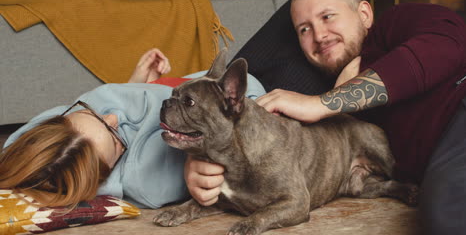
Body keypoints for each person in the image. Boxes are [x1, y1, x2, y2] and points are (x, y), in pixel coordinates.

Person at [184, 0, 466, 235]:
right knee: (445, 212)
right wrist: (201, 161)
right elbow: (231, 108)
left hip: (460, 113)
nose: (319, 36)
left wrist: (324, 103)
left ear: (365, 14)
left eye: (328, 16)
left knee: (449, 210)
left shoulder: (392, 26)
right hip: (433, 166)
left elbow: (449, 44)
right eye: (304, 30)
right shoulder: (313, 87)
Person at [0, 48, 267, 209]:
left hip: (178, 84)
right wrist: (194, 155)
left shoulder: (39, 142)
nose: (114, 118)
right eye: (117, 139)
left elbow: (17, 147)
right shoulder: (148, 180)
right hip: (226, 93)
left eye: (91, 111)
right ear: (106, 175)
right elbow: (250, 92)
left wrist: (134, 85)